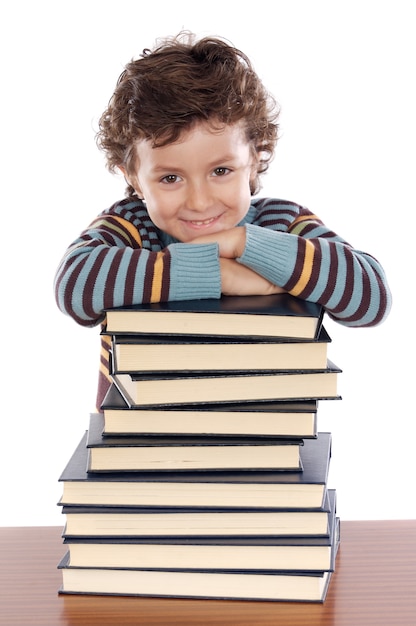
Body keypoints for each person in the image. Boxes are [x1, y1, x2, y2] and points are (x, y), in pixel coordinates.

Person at [54, 32, 392, 411]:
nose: (199, 202)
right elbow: (74, 286)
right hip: (141, 448)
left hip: (259, 445)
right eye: (170, 178)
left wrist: (246, 243)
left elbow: (371, 297)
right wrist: (222, 274)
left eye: (221, 170)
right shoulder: (131, 227)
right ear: (133, 177)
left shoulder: (280, 223)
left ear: (256, 155)